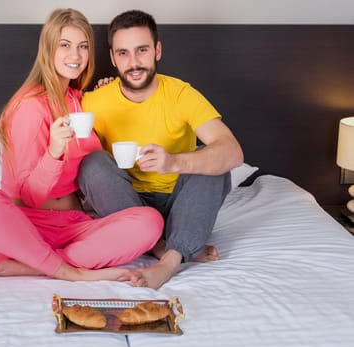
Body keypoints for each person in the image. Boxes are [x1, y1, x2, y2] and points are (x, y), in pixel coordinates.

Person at [0, 8, 163, 283]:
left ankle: (37, 265)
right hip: (25, 228)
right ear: (48, 49)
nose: (76, 56)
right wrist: (53, 152)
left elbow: (99, 160)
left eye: (83, 46)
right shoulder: (30, 106)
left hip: (74, 227)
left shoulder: (78, 102)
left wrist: (108, 97)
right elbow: (30, 196)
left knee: (150, 222)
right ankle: (71, 272)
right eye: (65, 45)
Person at [78, 10, 244, 289]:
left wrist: (174, 163)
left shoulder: (181, 94)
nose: (133, 63)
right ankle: (159, 245)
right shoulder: (95, 101)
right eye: (123, 53)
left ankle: (169, 261)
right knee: (91, 162)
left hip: (181, 206)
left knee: (214, 163)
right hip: (128, 207)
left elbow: (233, 152)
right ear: (113, 58)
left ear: (157, 50)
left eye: (142, 50)